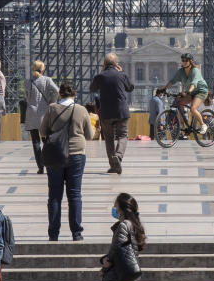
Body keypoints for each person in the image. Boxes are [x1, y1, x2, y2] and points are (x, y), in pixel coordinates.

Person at [40, 82, 94, 241]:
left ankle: (53, 234)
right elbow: (89, 135)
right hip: (77, 154)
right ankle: (76, 233)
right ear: (74, 94)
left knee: (55, 195)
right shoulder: (81, 109)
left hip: (56, 155)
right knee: (75, 195)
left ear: (60, 94)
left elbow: (42, 131)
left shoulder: (52, 108)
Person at [90, 53, 135, 174]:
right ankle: (118, 156)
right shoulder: (121, 74)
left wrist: (101, 73)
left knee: (109, 139)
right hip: (121, 111)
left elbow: (92, 89)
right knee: (122, 135)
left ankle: (113, 165)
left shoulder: (100, 76)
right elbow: (130, 87)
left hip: (106, 112)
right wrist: (123, 73)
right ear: (117, 64)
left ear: (104, 64)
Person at [100, 193, 146, 281]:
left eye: (116, 206)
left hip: (123, 273)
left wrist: (107, 262)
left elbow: (117, 248)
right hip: (120, 273)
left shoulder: (124, 225)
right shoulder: (131, 224)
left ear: (122, 208)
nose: (114, 209)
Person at [25, 60, 59, 174]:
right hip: (44, 112)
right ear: (42, 69)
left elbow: (27, 96)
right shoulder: (47, 80)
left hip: (31, 112)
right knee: (46, 140)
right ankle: (48, 162)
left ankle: (40, 167)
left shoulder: (28, 81)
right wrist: (51, 101)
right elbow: (57, 91)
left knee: (35, 141)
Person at [164, 52, 208, 137]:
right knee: (179, 103)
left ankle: (203, 124)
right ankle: (182, 125)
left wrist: (188, 92)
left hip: (201, 91)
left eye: (185, 60)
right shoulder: (181, 71)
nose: (183, 62)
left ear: (190, 61)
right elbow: (172, 81)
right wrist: (164, 89)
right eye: (182, 60)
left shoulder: (195, 70)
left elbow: (194, 83)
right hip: (191, 92)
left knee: (193, 108)